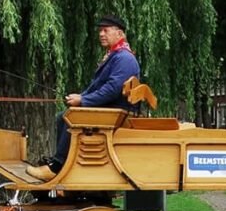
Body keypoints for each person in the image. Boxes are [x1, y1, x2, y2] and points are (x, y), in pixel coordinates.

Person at [27, 16, 141, 182]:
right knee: (63, 115)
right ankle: (63, 164)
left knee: (69, 117)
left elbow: (111, 90)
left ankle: (57, 167)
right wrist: (81, 97)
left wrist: (83, 101)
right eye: (100, 31)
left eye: (106, 30)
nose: (101, 34)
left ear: (119, 33)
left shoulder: (124, 58)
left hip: (115, 112)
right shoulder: (115, 56)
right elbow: (98, 87)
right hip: (112, 110)